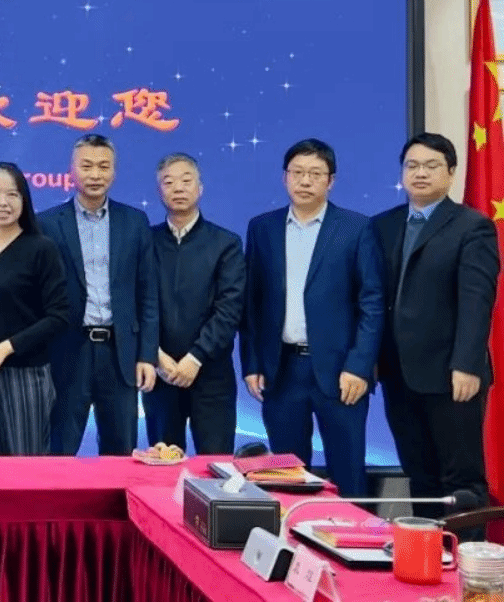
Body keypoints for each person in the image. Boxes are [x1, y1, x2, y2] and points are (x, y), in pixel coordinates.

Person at [241, 138, 383, 497]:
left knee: (347, 475)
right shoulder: (262, 228)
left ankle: (351, 533)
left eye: (315, 174)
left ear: (330, 181)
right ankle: (292, 534)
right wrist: (253, 363)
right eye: (297, 172)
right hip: (282, 371)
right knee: (286, 477)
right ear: (285, 177)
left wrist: (359, 367)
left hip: (340, 373)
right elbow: (252, 303)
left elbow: (372, 303)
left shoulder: (356, 227)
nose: (305, 181)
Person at [372, 133, 499, 518]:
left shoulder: (472, 226)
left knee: (461, 482)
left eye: (431, 166)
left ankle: (464, 555)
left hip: (451, 376)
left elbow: (477, 302)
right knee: (420, 477)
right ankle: (427, 551)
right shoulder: (384, 225)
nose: (420, 173)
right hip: (398, 375)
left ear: (451, 172)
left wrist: (467, 364)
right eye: (412, 166)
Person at [38, 134, 158, 456]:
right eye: (87, 166)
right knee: (59, 450)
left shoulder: (134, 222)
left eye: (104, 167)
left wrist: (147, 355)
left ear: (114, 172)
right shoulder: (47, 223)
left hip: (120, 354)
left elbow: (147, 294)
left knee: (121, 452)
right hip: (67, 351)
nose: (95, 174)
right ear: (71, 170)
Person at [0, 162, 69, 456]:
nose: (2, 203)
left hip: (26, 376)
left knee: (27, 467)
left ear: (24, 200)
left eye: (12, 194)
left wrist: (6, 348)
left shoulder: (42, 248)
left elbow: (59, 315)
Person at [144, 153, 245, 455]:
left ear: (200, 188)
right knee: (162, 464)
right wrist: (156, 356)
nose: (178, 188)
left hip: (210, 374)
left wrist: (196, 357)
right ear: (159, 191)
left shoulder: (225, 243)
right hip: (161, 375)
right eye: (169, 182)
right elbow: (136, 304)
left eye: (186, 180)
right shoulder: (145, 242)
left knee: (216, 465)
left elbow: (229, 309)